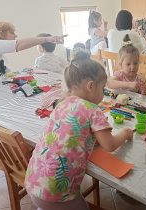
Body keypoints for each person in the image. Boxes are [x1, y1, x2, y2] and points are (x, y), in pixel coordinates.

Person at [25, 48, 133, 210]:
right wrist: (125, 133)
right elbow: (109, 145)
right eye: (102, 88)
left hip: (34, 184)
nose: (103, 94)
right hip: (57, 193)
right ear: (91, 86)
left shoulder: (62, 104)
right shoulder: (93, 109)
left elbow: (71, 132)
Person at [0, 21, 66, 76]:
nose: (16, 35)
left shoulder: (1, 56)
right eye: (12, 33)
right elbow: (18, 45)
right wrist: (47, 39)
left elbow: (7, 74)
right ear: (1, 34)